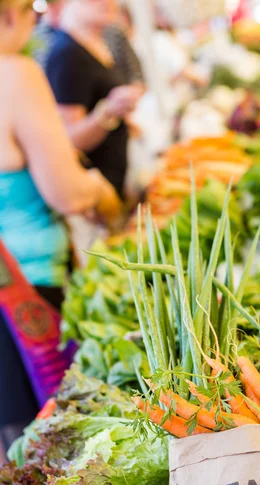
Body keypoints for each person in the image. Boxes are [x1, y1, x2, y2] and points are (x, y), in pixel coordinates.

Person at [0, 0, 121, 448]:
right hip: (23, 294)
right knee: (42, 449)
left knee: (14, 457)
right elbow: (65, 191)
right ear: (12, 15)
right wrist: (102, 192)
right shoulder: (13, 72)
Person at [46, 0, 142, 197]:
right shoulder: (67, 54)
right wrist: (109, 111)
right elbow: (70, 138)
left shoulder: (98, 42)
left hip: (114, 175)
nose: (107, 2)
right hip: (97, 189)